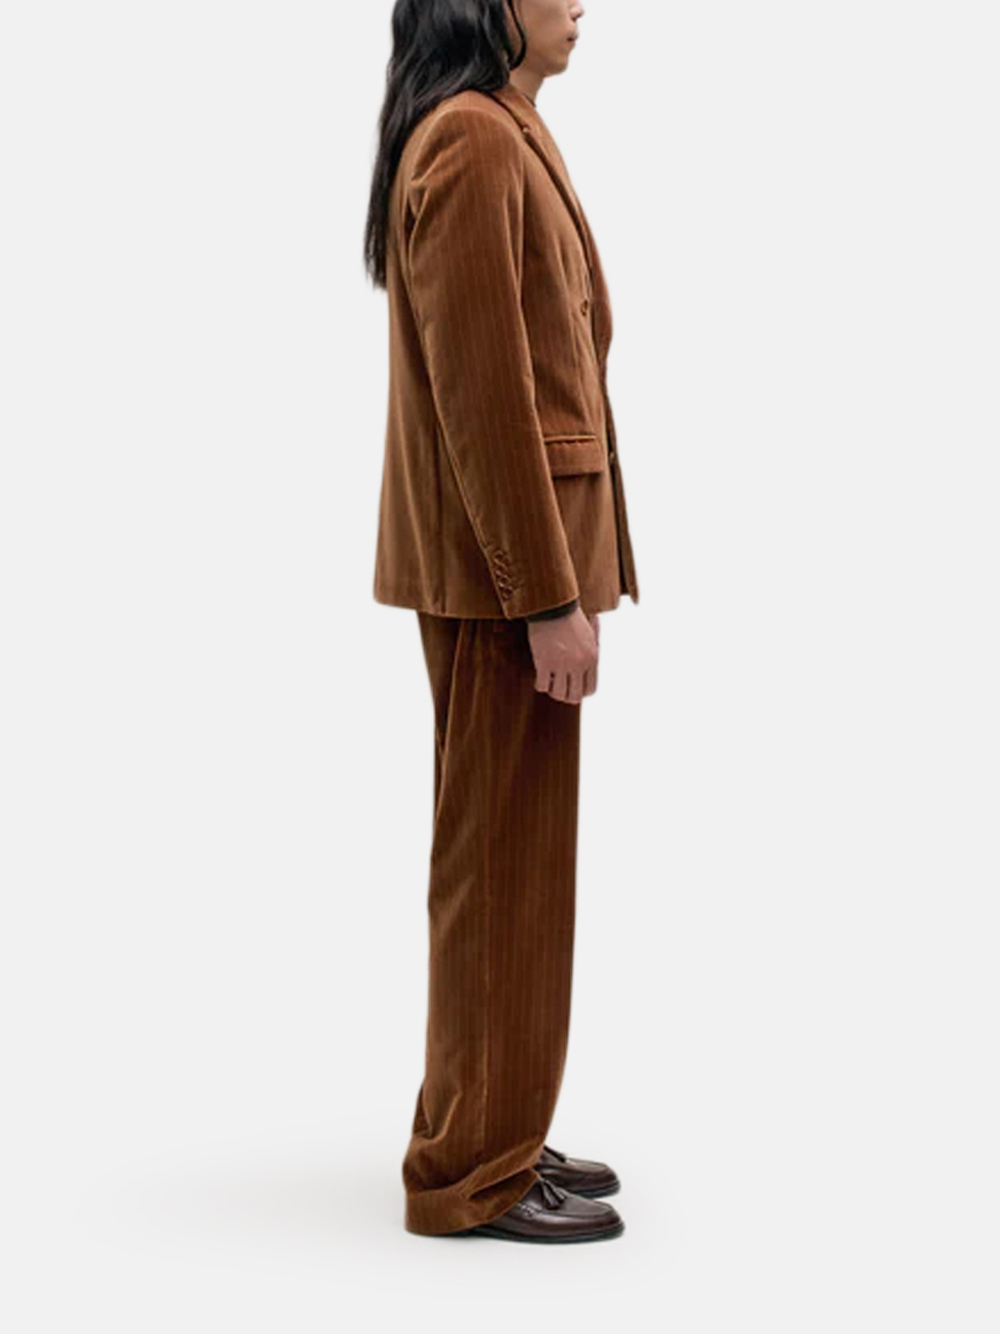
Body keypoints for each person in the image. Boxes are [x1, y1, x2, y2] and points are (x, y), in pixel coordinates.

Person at [363, 0, 639, 1243]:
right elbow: (485, 397)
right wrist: (546, 599)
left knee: (511, 864)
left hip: (506, 572)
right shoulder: (472, 139)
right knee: (499, 873)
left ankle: (495, 1120)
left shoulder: (497, 124)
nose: (580, 1)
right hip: (501, 582)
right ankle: (471, 1168)